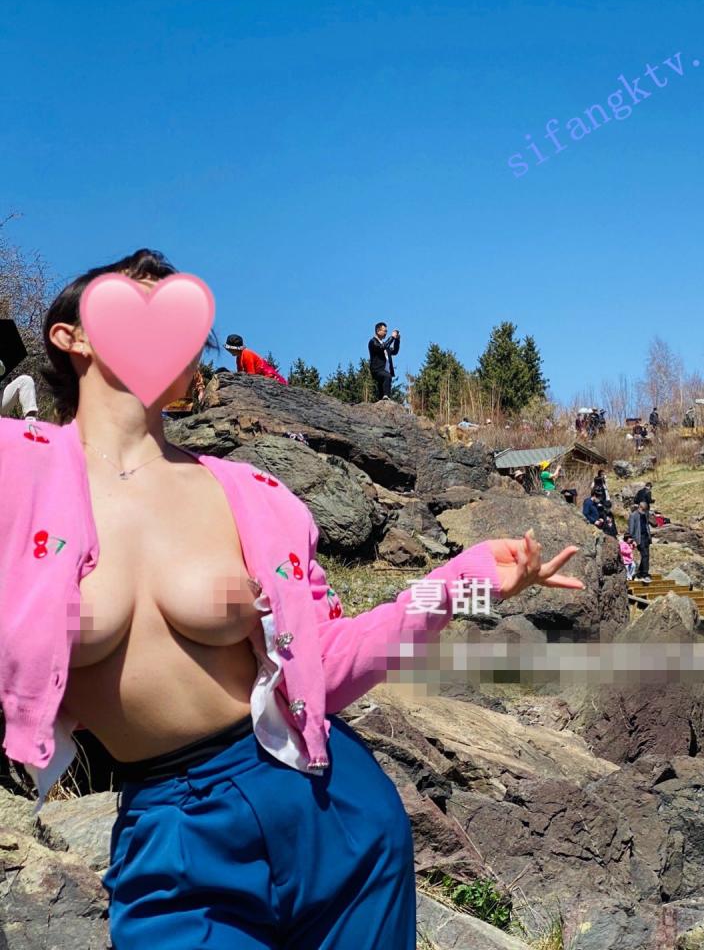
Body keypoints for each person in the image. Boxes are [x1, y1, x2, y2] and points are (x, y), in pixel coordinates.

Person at [0, 248, 583, 949]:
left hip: (328, 808)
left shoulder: (254, 497)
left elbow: (327, 661)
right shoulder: (15, 470)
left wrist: (463, 582)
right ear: (72, 336)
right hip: (173, 836)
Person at [368, 322, 400, 401]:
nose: (386, 333)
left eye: (386, 331)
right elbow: (381, 348)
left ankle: (382, 399)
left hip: (385, 370)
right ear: (378, 331)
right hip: (377, 370)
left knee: (381, 390)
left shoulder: (384, 344)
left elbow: (394, 351)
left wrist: (397, 340)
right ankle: (386, 397)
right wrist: (392, 337)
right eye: (384, 331)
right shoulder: (373, 341)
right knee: (387, 376)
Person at [627, 502, 652, 583]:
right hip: (639, 538)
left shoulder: (645, 514)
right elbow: (631, 529)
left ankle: (641, 572)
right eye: (643, 510)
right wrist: (633, 539)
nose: (644, 511)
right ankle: (645, 574)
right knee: (645, 555)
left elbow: (647, 525)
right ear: (640, 507)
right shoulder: (633, 515)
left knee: (646, 555)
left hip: (646, 537)